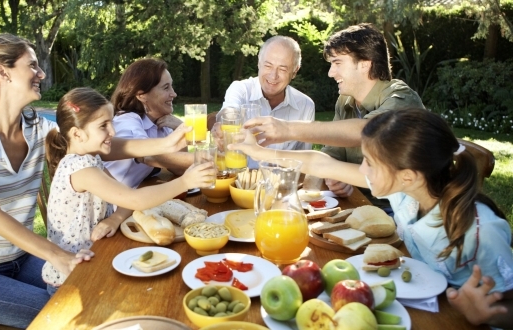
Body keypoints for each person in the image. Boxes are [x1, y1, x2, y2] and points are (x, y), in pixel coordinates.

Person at [0, 34, 193, 328]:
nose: (41, 73)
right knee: (67, 315)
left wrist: (168, 143)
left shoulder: (36, 128)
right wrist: (58, 256)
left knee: (104, 289)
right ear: (2, 71)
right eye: (32, 65)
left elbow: (107, 146)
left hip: (22, 257)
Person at [230, 108, 513, 328]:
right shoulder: (406, 192)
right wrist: (259, 152)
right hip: (415, 304)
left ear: (408, 175)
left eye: (370, 162)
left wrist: (485, 314)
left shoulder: (481, 231)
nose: (362, 168)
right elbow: (321, 162)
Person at [42, 87, 216, 294]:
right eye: (103, 126)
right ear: (77, 134)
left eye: (111, 123)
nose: (113, 132)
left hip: (95, 259)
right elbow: (134, 200)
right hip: (71, 281)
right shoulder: (80, 169)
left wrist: (115, 219)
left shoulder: (91, 159)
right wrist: (185, 182)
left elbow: (125, 198)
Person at [243, 24, 425, 205]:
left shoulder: (401, 97)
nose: (331, 73)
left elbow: (368, 131)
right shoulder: (345, 102)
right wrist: (328, 183)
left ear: (364, 64)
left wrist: (287, 129)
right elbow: (328, 157)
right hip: (354, 205)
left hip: (400, 215)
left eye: (337, 63)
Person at [211, 35, 315, 169]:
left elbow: (305, 161)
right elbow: (229, 111)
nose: (273, 75)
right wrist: (224, 122)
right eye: (268, 66)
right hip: (241, 183)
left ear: (295, 71)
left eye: (282, 69)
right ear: (259, 63)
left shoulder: (306, 106)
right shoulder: (240, 89)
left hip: (280, 186)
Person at [105, 58, 193, 189]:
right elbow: (149, 156)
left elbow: (180, 169)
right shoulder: (127, 121)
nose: (174, 94)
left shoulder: (162, 123)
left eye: (171, 86)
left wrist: (178, 129)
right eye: (166, 87)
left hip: (131, 200)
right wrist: (213, 158)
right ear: (141, 95)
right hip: (109, 205)